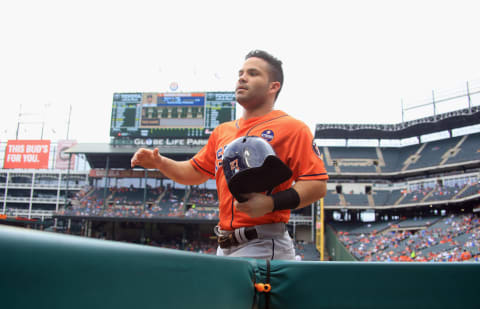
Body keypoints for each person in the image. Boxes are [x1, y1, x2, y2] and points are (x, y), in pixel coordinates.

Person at [131, 50, 328, 260]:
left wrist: (271, 203)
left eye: (253, 73)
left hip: (263, 241)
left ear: (273, 86)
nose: (242, 77)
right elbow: (194, 172)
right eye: (240, 73)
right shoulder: (223, 131)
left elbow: (316, 185)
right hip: (224, 244)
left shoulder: (292, 128)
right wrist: (160, 162)